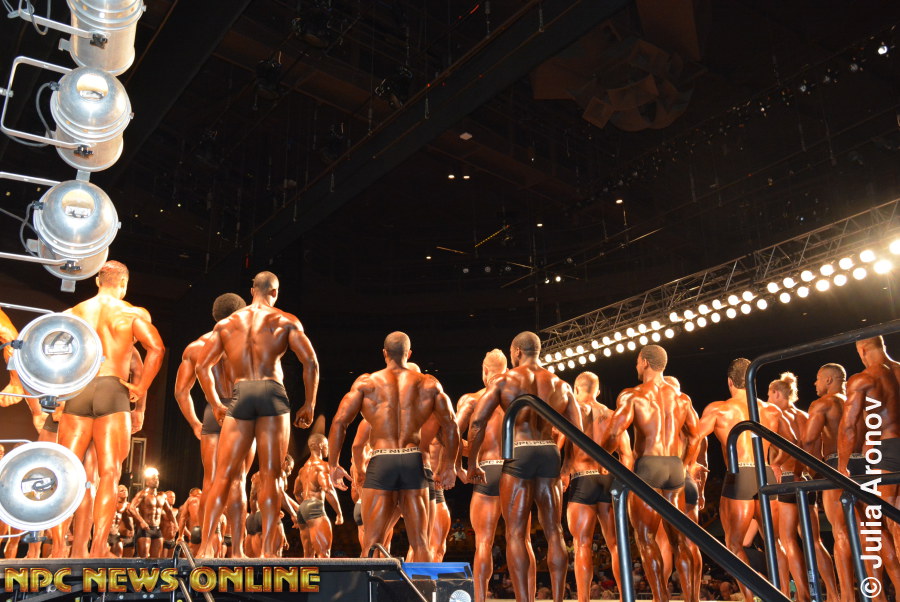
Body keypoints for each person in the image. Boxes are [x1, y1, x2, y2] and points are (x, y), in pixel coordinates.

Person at [194, 271, 319, 558]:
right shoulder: (285, 320)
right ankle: (268, 552)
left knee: (222, 475)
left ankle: (205, 548)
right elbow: (310, 362)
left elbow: (202, 367)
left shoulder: (227, 324)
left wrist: (215, 402)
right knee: (271, 476)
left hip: (242, 393)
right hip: (272, 393)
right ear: (274, 292)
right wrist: (309, 403)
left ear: (252, 290)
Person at [60, 261, 165, 558]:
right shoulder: (132, 313)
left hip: (78, 390)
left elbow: (50, 349)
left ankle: (59, 548)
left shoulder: (72, 313)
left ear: (97, 281)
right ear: (124, 284)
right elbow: (156, 348)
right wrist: (141, 388)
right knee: (109, 473)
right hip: (113, 389)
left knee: (67, 471)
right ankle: (97, 549)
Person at [467, 331, 583, 602]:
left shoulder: (505, 381)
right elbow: (578, 431)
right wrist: (567, 464)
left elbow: (477, 422)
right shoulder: (561, 385)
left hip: (519, 451)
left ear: (517, 351)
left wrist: (472, 462)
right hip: (549, 452)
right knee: (554, 530)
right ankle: (558, 599)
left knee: (516, 533)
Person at [328, 331, 459, 562]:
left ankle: (368, 586)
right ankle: (421, 587)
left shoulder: (367, 383)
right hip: (413, 461)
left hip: (382, 460)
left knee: (372, 542)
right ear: (409, 353)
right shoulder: (428, 383)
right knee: (421, 542)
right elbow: (451, 425)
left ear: (384, 353)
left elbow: (340, 422)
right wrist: (450, 466)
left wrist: (334, 464)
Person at [596, 345, 700, 602]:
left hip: (648, 466)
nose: (636, 366)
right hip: (674, 467)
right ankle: (691, 599)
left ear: (644, 362)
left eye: (637, 362)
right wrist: (686, 464)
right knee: (680, 542)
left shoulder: (633, 395)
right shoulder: (682, 399)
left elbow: (613, 432)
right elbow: (695, 437)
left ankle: (660, 597)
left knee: (646, 538)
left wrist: (602, 458)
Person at [693, 358, 793, 602]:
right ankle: (781, 596)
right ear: (751, 381)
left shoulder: (719, 409)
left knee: (734, 545)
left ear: (730, 382)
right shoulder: (771, 410)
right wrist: (776, 462)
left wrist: (690, 464)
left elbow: (694, 437)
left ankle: (749, 598)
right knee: (775, 542)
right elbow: (792, 442)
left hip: (740, 474)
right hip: (766, 473)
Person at [174, 292, 254, 556]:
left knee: (210, 480)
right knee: (238, 480)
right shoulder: (252, 344)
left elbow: (181, 392)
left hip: (214, 409)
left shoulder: (197, 346)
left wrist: (195, 423)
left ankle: (206, 547)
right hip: (243, 409)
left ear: (215, 315)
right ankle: (238, 551)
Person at [767, 372, 837, 602]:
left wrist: (775, 464)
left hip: (788, 479)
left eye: (769, 395)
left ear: (777, 393)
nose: (767, 399)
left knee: (787, 540)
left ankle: (803, 596)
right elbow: (817, 449)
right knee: (814, 541)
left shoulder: (778, 415)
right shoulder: (806, 416)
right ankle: (834, 595)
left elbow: (789, 445)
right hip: (808, 480)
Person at [839, 336, 900, 594]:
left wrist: (842, 466)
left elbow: (849, 427)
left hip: (886, 448)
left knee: (883, 526)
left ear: (862, 350)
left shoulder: (864, 379)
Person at [566, 371, 633, 602]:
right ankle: (625, 597)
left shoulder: (573, 412)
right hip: (608, 479)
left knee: (582, 544)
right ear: (598, 391)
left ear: (576, 388)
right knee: (615, 544)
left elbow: (558, 442)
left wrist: (562, 472)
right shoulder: (613, 416)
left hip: (582, 478)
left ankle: (583, 599)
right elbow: (627, 455)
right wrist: (623, 486)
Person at [453, 350, 513, 602]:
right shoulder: (519, 397)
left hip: (486, 468)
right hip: (515, 469)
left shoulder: (473, 399)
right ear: (506, 369)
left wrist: (461, 463)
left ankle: (480, 599)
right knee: (519, 539)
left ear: (484, 370)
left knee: (484, 542)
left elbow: (452, 434)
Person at [801, 363, 857, 602]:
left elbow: (808, 441)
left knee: (841, 532)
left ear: (829, 380)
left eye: (817, 378)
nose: (814, 383)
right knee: (871, 532)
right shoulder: (857, 400)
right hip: (866, 464)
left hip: (836, 465)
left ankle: (847, 597)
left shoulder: (823, 404)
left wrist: (805, 471)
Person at [295, 434, 343, 557]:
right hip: (315, 507)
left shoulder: (302, 469)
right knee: (324, 554)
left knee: (308, 556)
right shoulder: (322, 466)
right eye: (327, 446)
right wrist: (339, 513)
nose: (328, 449)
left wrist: (305, 506)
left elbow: (296, 492)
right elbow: (328, 490)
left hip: (302, 509)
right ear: (321, 445)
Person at [129, 468, 176, 558]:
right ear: (147, 482)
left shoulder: (162, 495)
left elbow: (169, 511)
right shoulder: (142, 494)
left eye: (157, 479)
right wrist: (142, 521)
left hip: (157, 529)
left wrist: (175, 523)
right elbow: (132, 507)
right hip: (145, 530)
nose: (156, 480)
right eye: (153, 479)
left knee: (157, 559)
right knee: (144, 559)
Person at [177, 488, 203, 555]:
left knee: (191, 555)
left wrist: (180, 535)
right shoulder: (208, 498)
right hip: (210, 529)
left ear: (190, 494)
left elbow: (182, 518)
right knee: (213, 556)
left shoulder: (190, 500)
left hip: (197, 529)